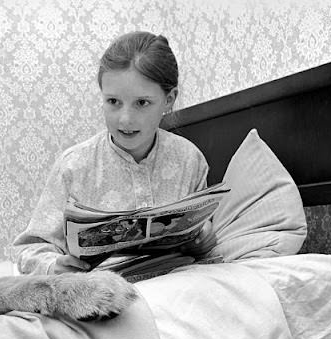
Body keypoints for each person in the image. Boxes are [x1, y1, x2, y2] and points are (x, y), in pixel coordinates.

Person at [13, 31, 216, 275]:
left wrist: (203, 238)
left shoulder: (189, 159)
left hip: (177, 287)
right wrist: (54, 265)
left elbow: (201, 234)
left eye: (142, 103)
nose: (125, 119)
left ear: (169, 99)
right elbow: (30, 250)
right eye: (113, 102)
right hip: (104, 293)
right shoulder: (74, 166)